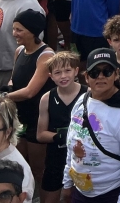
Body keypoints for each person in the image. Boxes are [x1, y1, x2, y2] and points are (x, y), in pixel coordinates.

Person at [64, 48, 120, 203]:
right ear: (87, 77)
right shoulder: (81, 102)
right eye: (95, 72)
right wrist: (67, 183)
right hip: (79, 193)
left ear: (116, 74)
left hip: (111, 194)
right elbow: (72, 146)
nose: (100, 76)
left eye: (107, 71)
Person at [7, 8, 54, 190]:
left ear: (33, 31)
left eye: (19, 30)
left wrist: (2, 97)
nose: (14, 34)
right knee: (20, 164)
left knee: (37, 168)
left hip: (38, 118)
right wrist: (9, 87)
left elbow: (29, 91)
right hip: (20, 117)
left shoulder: (46, 55)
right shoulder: (19, 50)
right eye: (14, 29)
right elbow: (14, 78)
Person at [36, 51, 86, 203]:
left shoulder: (88, 95)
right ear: (51, 76)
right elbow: (40, 135)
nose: (63, 76)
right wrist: (60, 136)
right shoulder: (46, 99)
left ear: (76, 71)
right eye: (58, 72)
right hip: (56, 159)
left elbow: (98, 126)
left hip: (82, 159)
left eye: (67, 71)